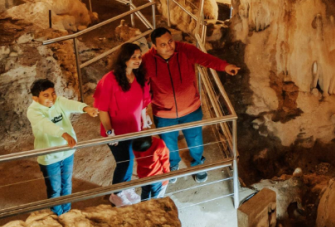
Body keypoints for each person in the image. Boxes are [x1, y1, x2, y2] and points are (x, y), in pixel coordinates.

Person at [142, 27, 239, 183]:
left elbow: (205, 58)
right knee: (168, 144)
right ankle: (173, 165)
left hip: (191, 108)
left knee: (195, 141)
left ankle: (198, 164)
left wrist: (224, 66)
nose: (169, 47)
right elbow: (142, 85)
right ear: (154, 46)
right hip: (164, 113)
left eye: (170, 41)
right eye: (163, 45)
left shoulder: (185, 50)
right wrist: (143, 108)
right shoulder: (146, 60)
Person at [26, 79, 98, 215]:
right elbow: (45, 124)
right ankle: (57, 215)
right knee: (55, 188)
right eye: (45, 95)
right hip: (50, 157)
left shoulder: (58, 101)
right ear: (35, 98)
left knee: (67, 184)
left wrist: (86, 108)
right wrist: (63, 134)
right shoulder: (33, 111)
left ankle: (67, 211)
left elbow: (70, 104)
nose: (52, 98)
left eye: (53, 93)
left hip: (67, 152)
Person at [93, 43, 153, 188]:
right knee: (124, 162)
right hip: (116, 132)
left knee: (130, 160)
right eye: (133, 57)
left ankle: (124, 189)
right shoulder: (109, 80)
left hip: (135, 128)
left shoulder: (140, 77)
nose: (138, 60)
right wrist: (109, 132)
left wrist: (144, 124)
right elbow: (103, 109)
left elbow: (143, 105)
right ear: (124, 58)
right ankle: (117, 193)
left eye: (139, 56)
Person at [132, 135, 171, 201]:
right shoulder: (159, 144)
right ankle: (155, 206)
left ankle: (144, 206)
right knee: (156, 194)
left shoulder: (135, 145)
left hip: (142, 175)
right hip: (156, 177)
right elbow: (165, 161)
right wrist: (167, 175)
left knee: (145, 192)